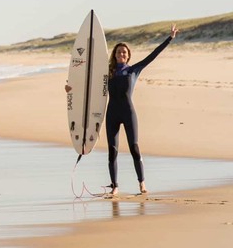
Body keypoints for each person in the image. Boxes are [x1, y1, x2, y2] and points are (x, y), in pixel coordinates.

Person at [65, 24, 178, 196]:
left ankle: (142, 183)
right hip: (112, 114)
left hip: (128, 112)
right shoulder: (107, 73)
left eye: (124, 52)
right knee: (112, 150)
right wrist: (70, 88)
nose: (121, 54)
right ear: (114, 55)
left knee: (134, 147)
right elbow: (86, 82)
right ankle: (115, 186)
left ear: (128, 55)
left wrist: (169, 38)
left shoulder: (133, 70)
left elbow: (153, 55)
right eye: (118, 52)